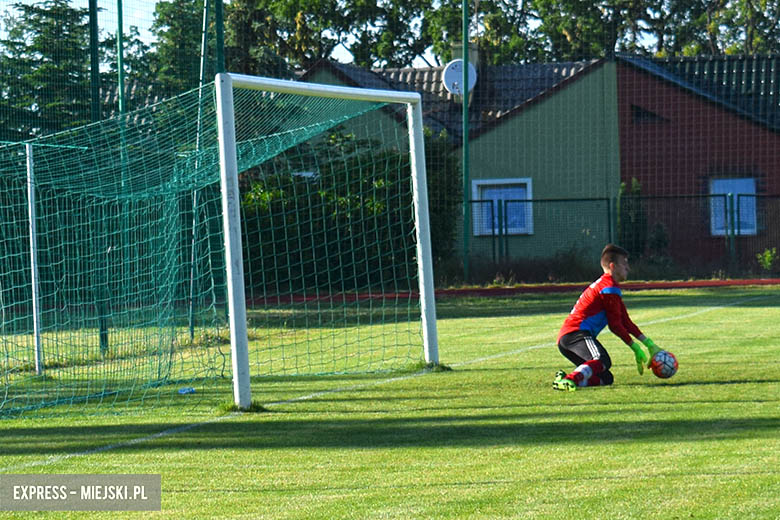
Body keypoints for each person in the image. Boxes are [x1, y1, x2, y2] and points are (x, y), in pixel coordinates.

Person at [553, 243, 662, 391]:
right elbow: (615, 325)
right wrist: (634, 346)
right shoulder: (609, 287)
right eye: (624, 264)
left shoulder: (609, 286)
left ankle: (565, 380)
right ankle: (570, 379)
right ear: (613, 266)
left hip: (569, 338)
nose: (628, 268)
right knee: (602, 360)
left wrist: (649, 344)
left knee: (606, 378)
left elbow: (625, 321)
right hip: (576, 334)